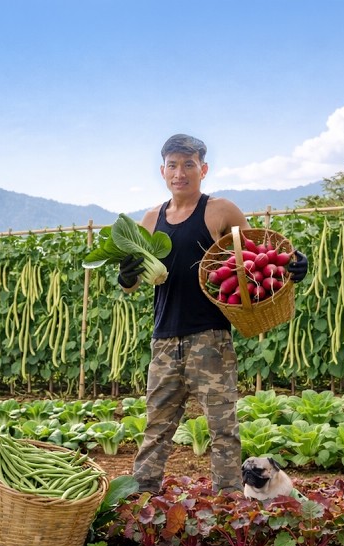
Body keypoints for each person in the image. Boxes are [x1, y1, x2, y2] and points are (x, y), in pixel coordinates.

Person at [119, 133, 308, 494]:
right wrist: (126, 275)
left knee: (223, 429)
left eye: (189, 164)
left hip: (210, 339)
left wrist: (294, 264)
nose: (180, 172)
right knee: (156, 428)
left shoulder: (219, 210)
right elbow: (130, 284)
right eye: (173, 165)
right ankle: (140, 500)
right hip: (164, 341)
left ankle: (229, 503)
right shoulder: (149, 219)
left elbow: (261, 251)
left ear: (203, 169)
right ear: (162, 171)